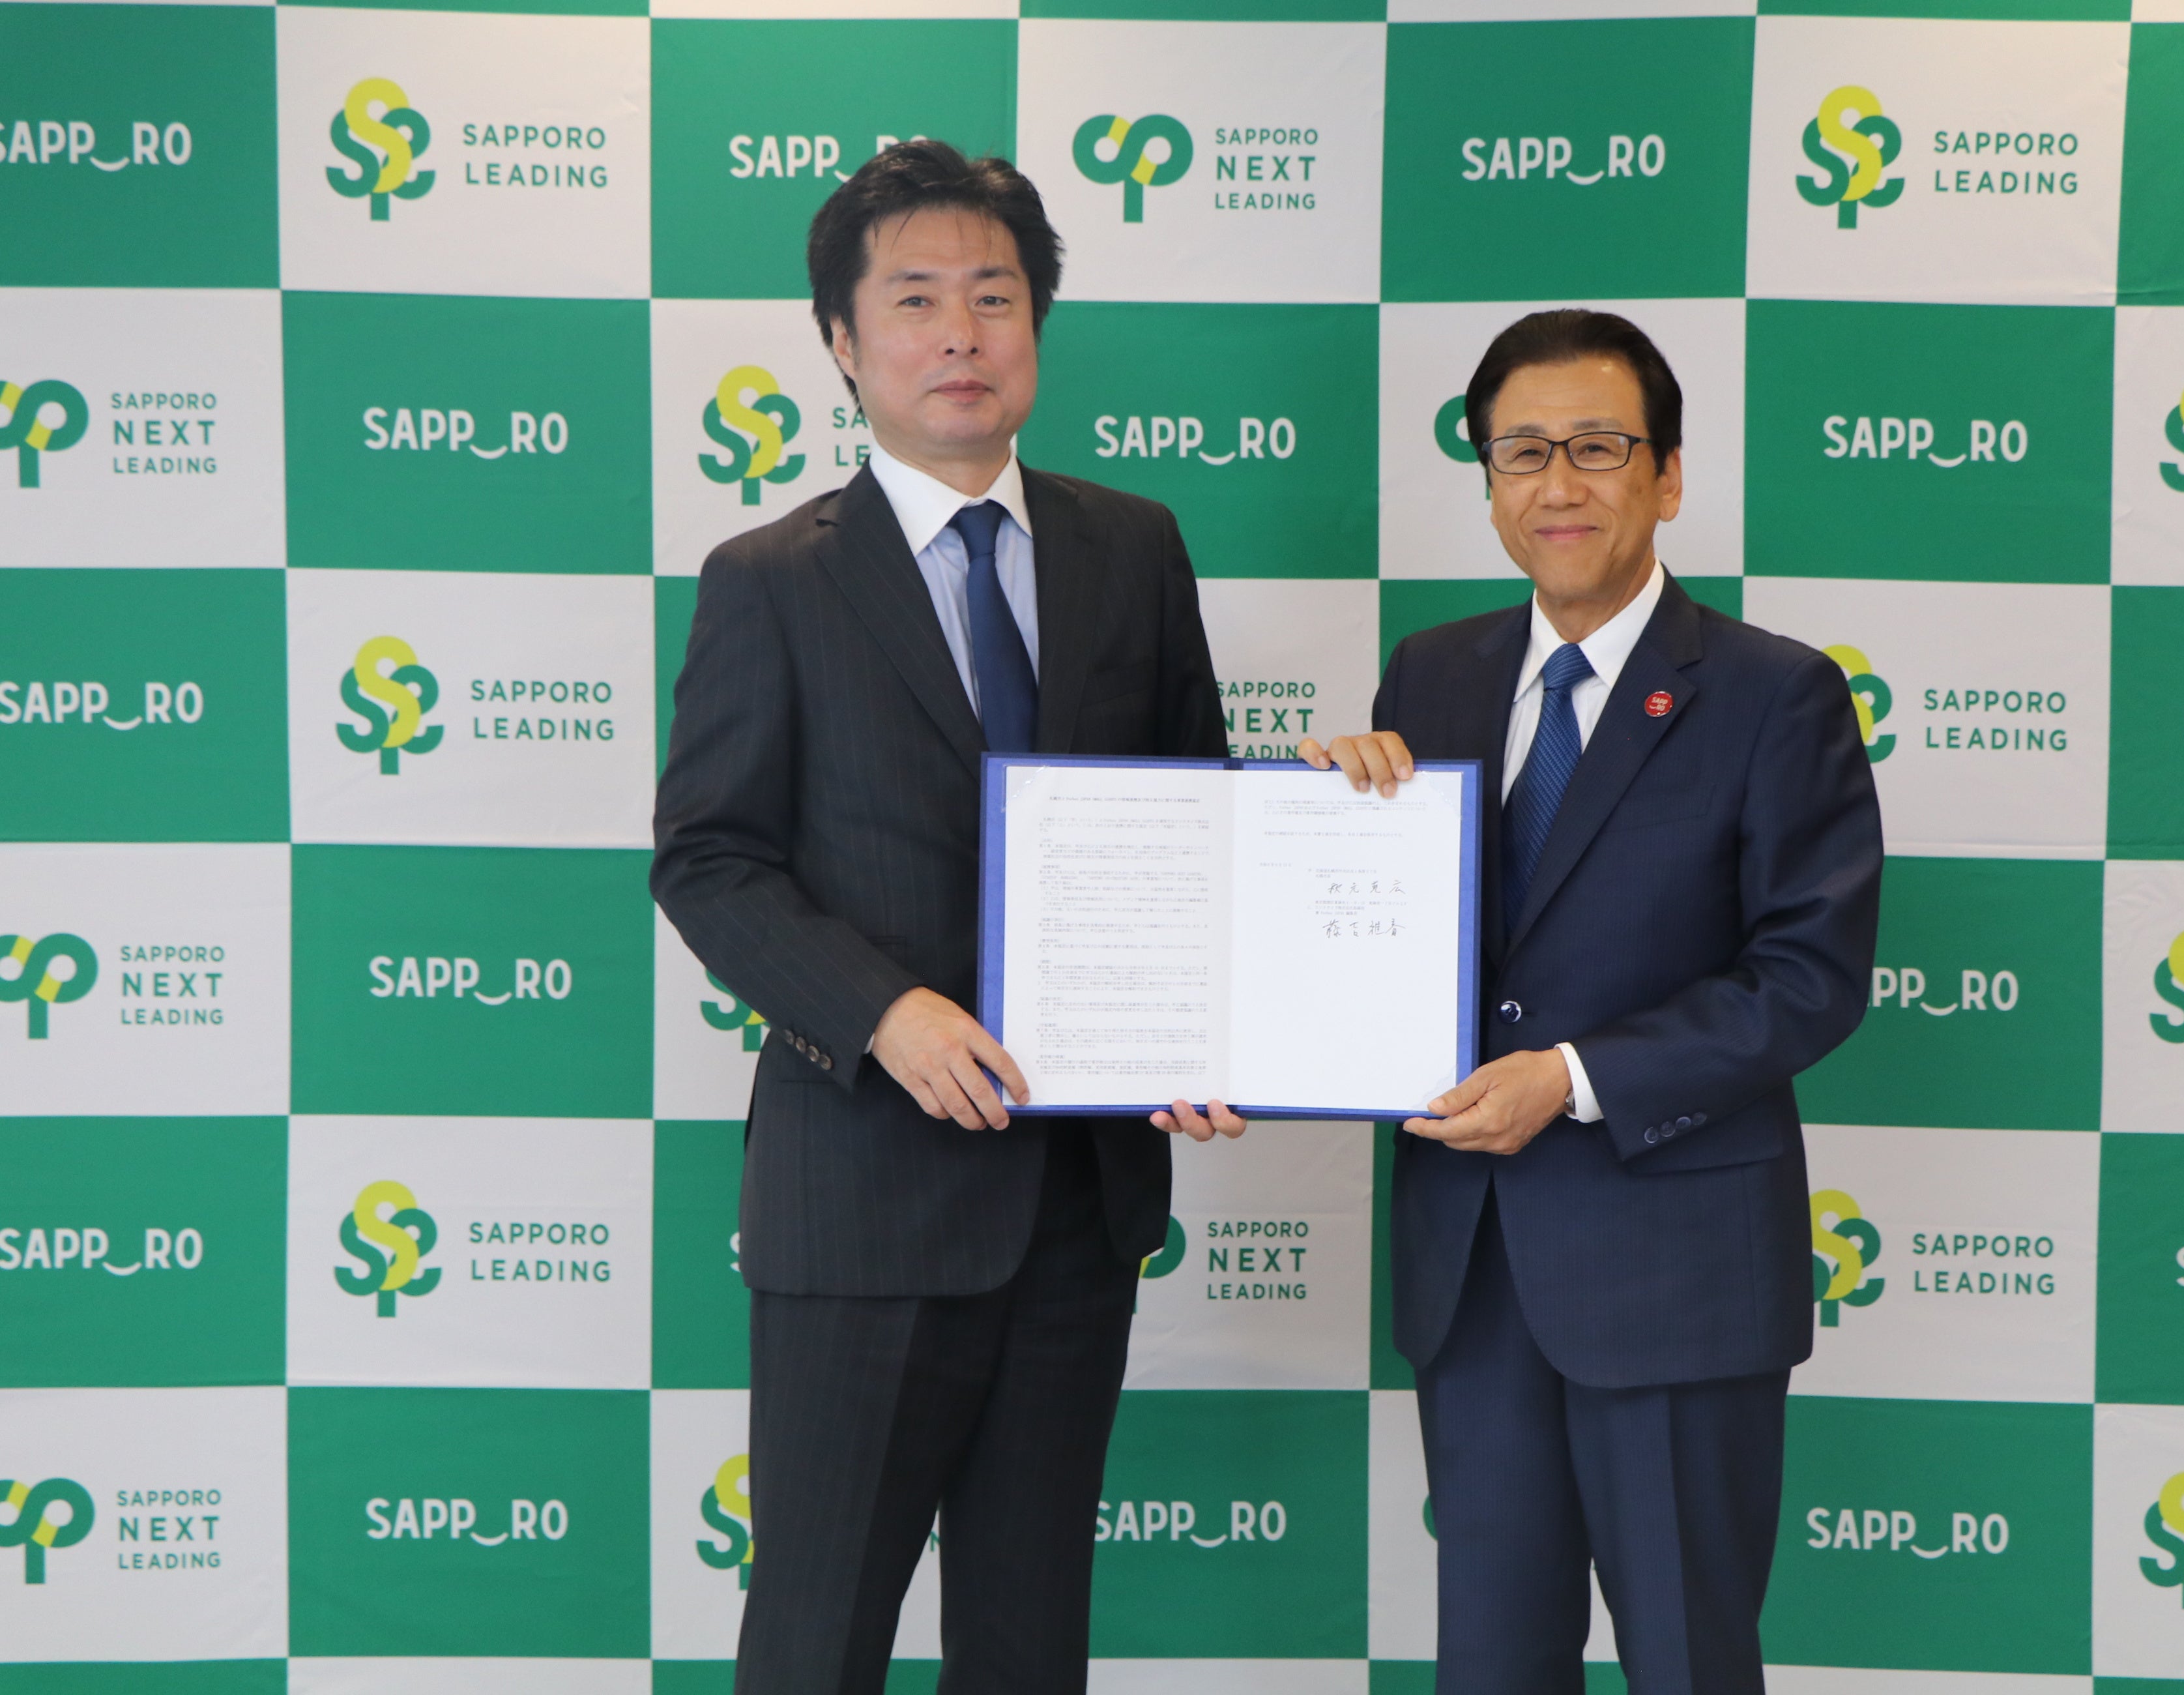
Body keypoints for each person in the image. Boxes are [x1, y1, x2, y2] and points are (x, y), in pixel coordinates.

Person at [652, 140, 1244, 1695]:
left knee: (1031, 1641)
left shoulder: (1134, 547)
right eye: (914, 299)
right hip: (862, 1198)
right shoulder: (771, 579)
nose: (961, 333)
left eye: (995, 294)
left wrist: (1222, 1008)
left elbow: (1196, 822)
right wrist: (884, 1013)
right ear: (843, 343)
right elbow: (710, 859)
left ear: (1038, 324)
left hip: (1078, 1200)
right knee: (816, 1639)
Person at [1306, 310, 1882, 1695]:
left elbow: (1809, 978)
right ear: (1489, 482)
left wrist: (1570, 1078)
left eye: (1598, 448)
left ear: (1668, 477)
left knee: (1686, 1660)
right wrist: (1321, 852)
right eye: (1521, 452)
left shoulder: (1775, 693)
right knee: (1491, 1663)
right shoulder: (1430, 672)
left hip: (1676, 1269)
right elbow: (1399, 945)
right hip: (1473, 1269)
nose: (1556, 485)